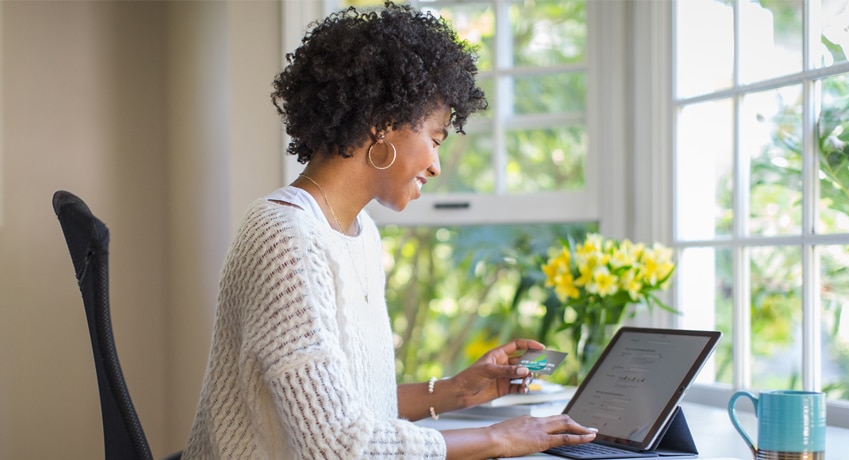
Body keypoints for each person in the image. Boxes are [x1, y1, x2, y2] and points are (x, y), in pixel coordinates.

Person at [181, 2, 597, 459]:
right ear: (383, 121)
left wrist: (456, 392)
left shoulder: (360, 234)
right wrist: (502, 438)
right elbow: (339, 446)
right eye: (435, 139)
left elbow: (351, 412)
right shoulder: (282, 237)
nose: (436, 165)